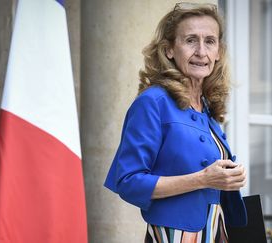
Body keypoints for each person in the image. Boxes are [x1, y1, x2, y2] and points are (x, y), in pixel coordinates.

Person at [104, 3, 248, 242]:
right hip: (175, 236)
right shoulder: (153, 102)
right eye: (191, 40)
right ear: (169, 49)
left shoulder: (207, 107)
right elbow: (128, 181)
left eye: (210, 41)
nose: (201, 51)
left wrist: (230, 177)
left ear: (219, 52)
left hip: (215, 231)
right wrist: (202, 179)